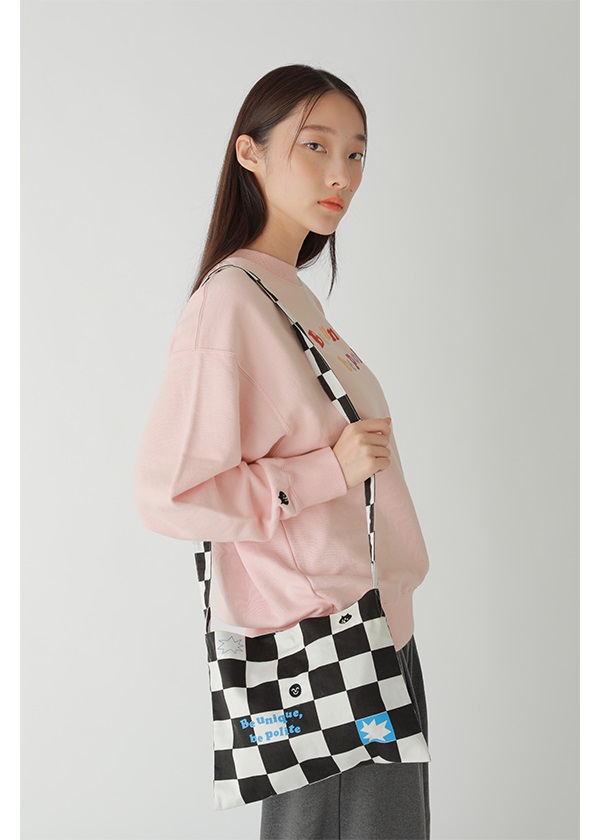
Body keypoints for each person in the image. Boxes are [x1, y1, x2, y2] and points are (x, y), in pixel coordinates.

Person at [133, 64, 431, 840]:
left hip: (372, 631)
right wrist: (326, 470)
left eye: (357, 153)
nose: (342, 175)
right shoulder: (231, 303)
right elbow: (169, 493)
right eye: (316, 146)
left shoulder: (287, 293)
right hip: (322, 650)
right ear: (250, 153)